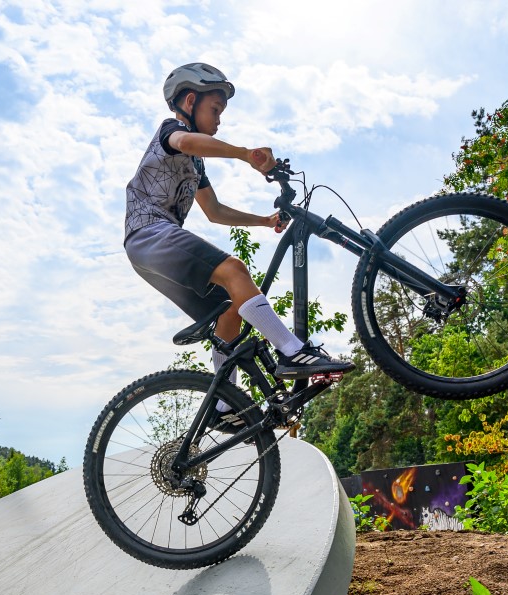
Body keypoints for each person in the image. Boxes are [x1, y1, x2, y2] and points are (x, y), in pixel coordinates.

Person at [123, 63, 354, 428]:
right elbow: (188, 142)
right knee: (234, 270)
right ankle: (293, 352)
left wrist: (263, 221)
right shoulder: (173, 132)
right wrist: (245, 154)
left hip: (147, 252)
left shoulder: (196, 164)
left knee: (229, 311)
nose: (219, 120)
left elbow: (214, 211)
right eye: (215, 110)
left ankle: (223, 408)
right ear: (189, 100)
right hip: (148, 233)